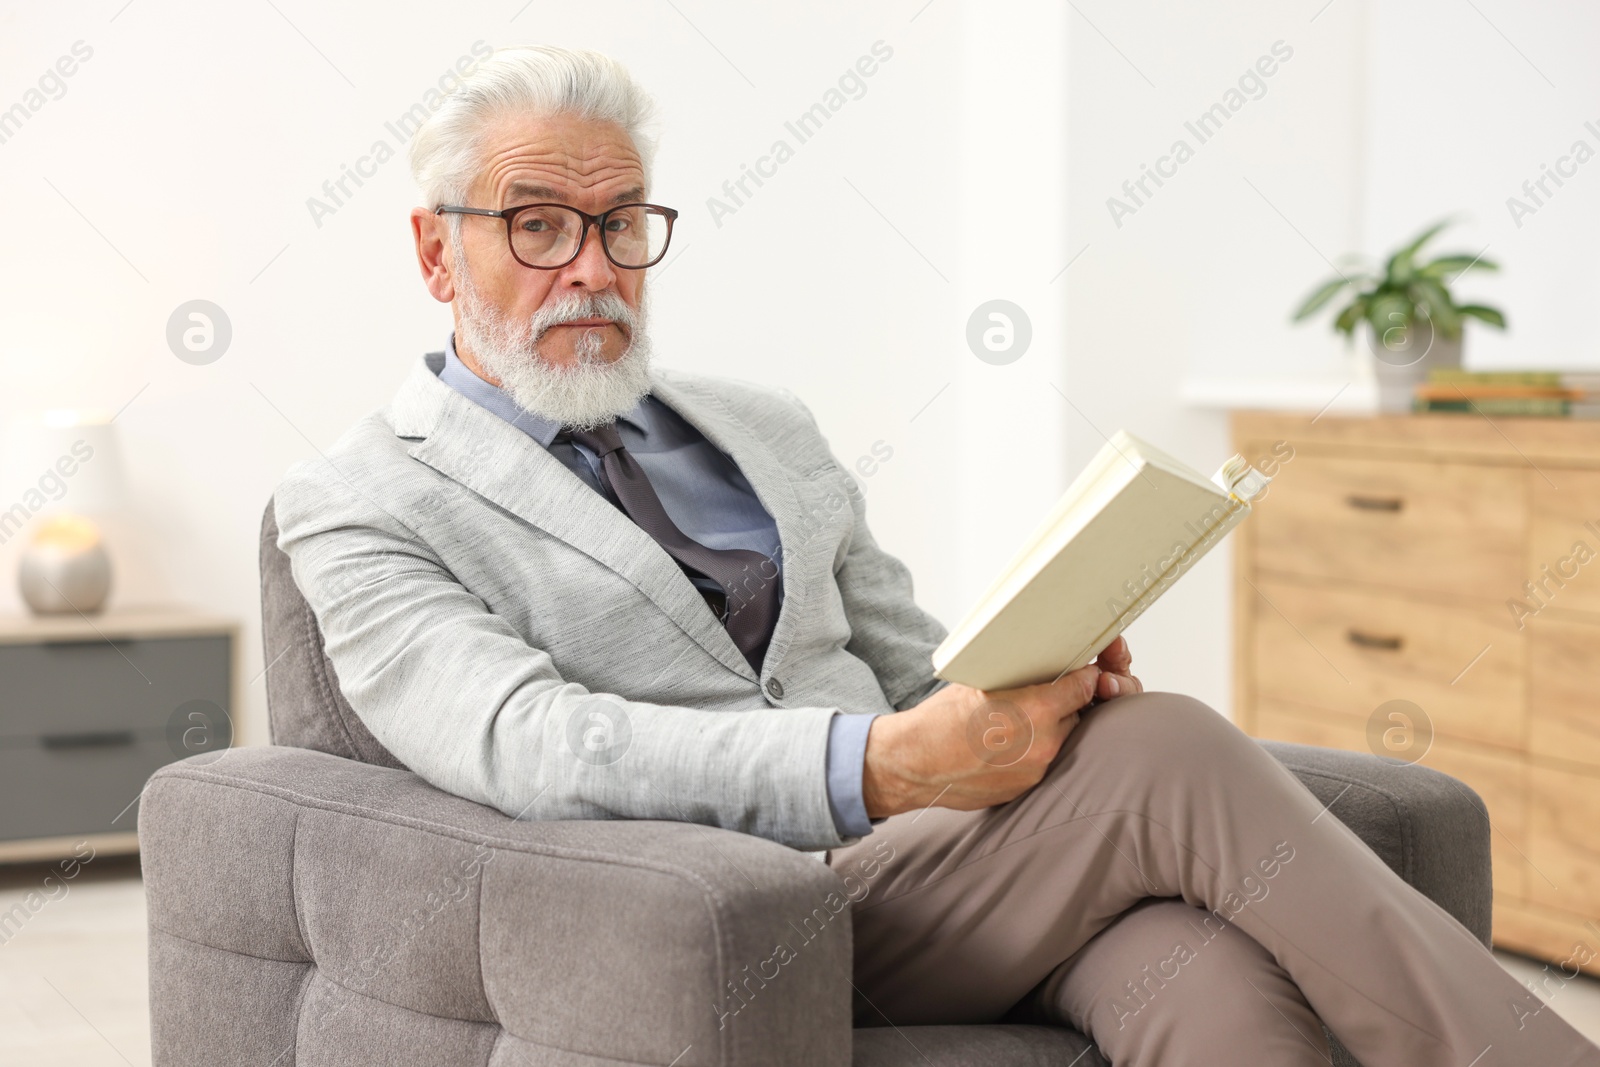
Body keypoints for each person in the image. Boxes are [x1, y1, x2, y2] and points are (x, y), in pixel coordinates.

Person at [273, 45, 1600, 1066]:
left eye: (623, 221)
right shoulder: (361, 500)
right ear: (435, 253)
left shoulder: (759, 429)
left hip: (945, 869)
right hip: (727, 914)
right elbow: (529, 742)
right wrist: (884, 766)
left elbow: (912, 666)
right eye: (539, 224)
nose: (596, 266)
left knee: (1198, 976)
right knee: (1172, 751)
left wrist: (1035, 687)